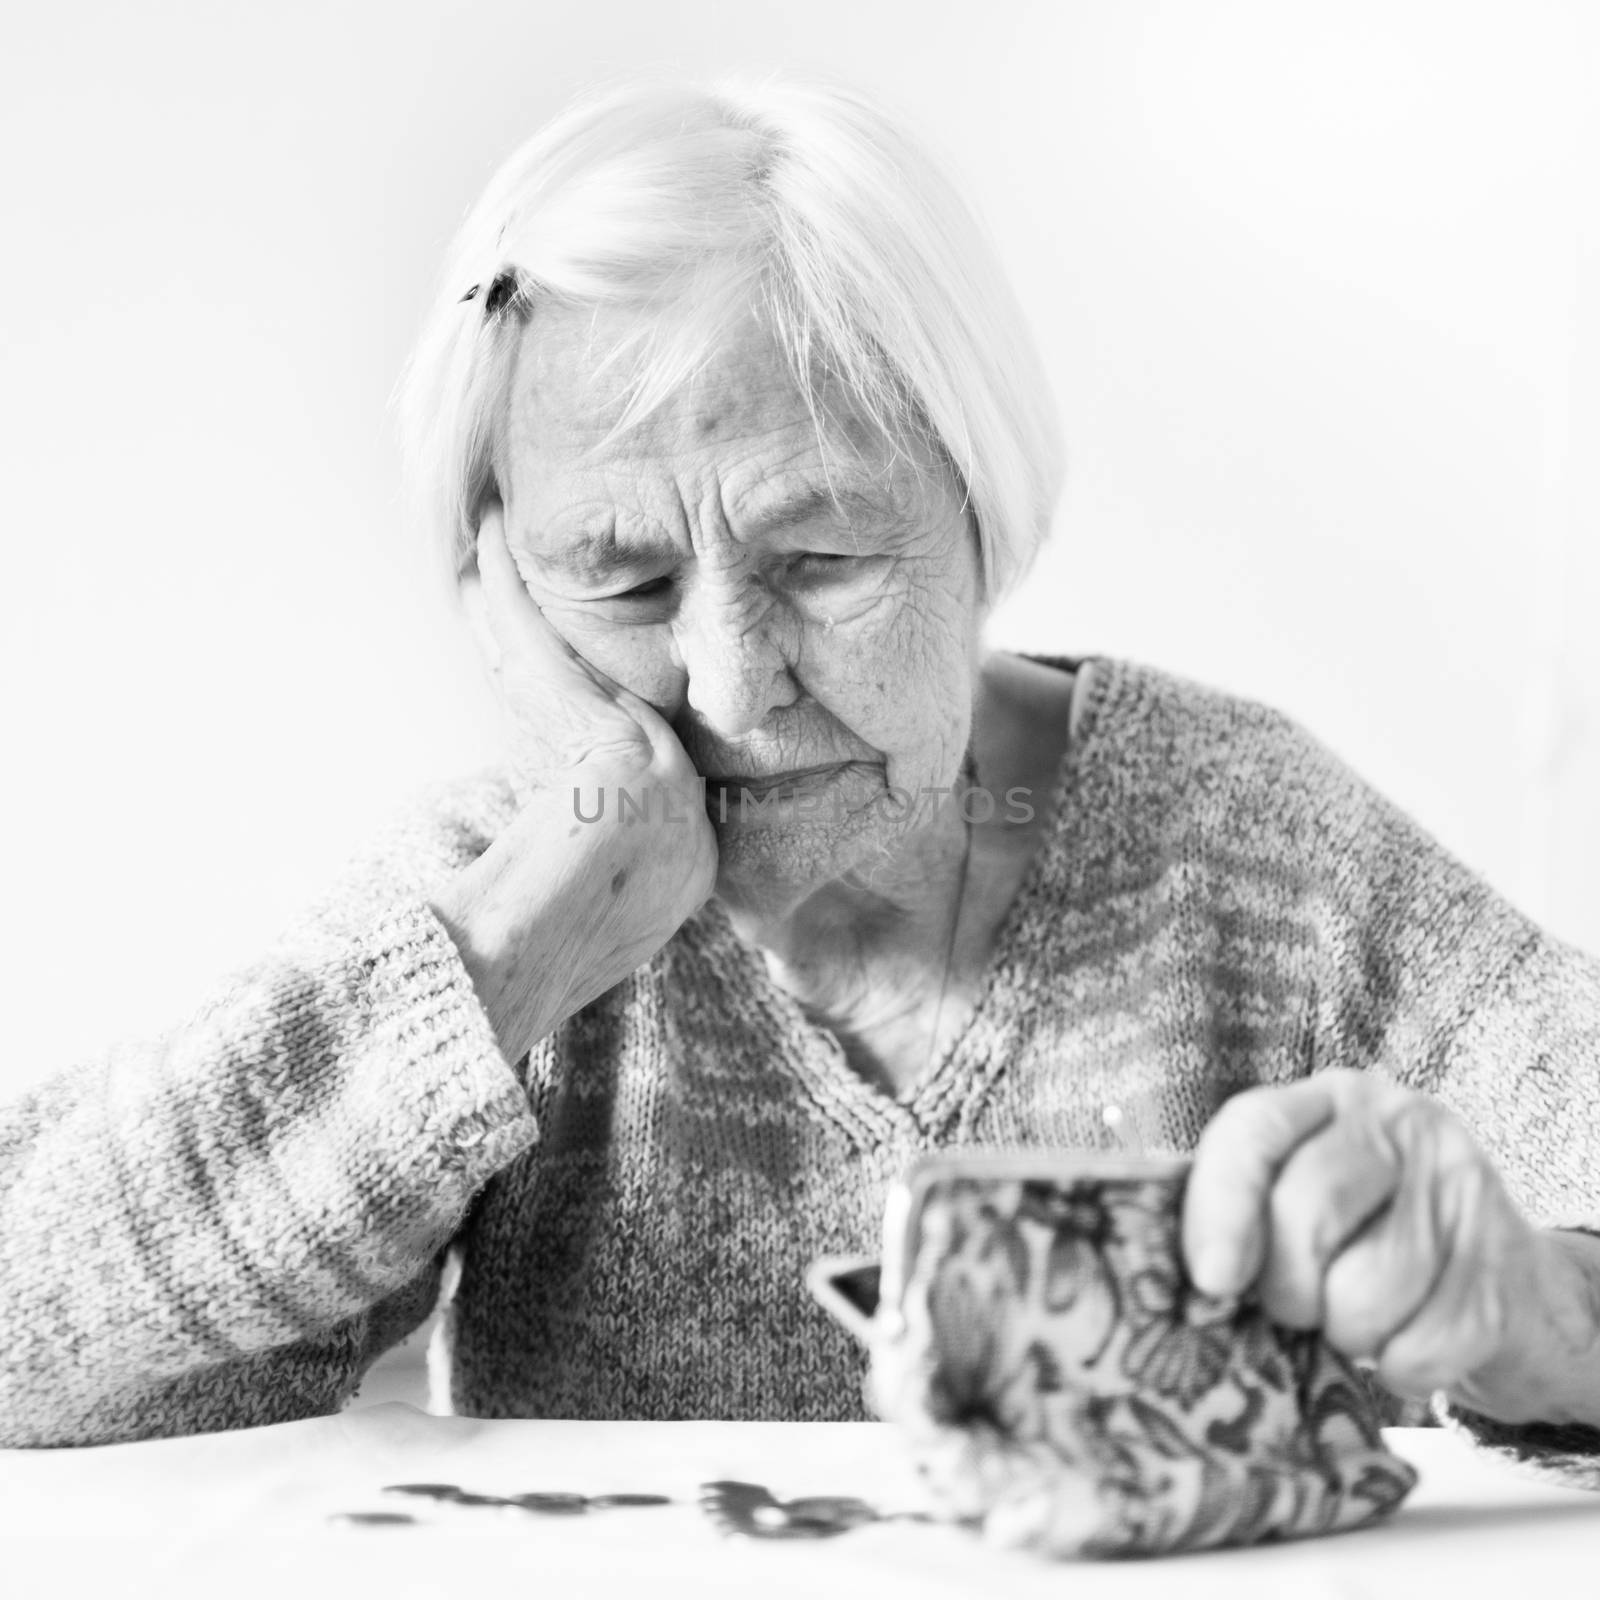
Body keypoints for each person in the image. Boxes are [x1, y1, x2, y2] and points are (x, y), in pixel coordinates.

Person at [4, 77, 1600, 1478]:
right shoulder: (503, 895)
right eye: (619, 584)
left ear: (987, 515)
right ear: (501, 592)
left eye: (823, 555)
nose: (725, 684)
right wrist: (499, 971)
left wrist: (1540, 1314)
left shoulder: (1253, 851)